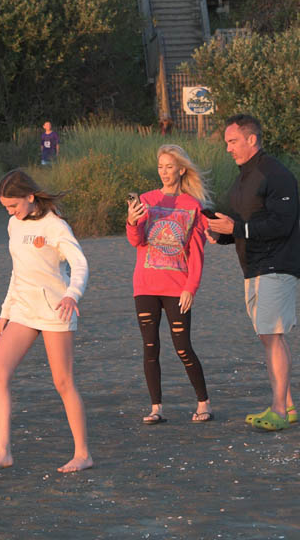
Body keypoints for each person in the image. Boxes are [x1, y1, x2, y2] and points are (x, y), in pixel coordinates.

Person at [0, 169, 93, 475]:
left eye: (13, 205)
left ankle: (83, 454)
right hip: (23, 310)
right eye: (6, 208)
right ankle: (3, 452)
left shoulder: (55, 225)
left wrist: (72, 295)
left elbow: (79, 263)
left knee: (63, 381)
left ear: (30, 196)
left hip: (56, 309)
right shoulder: (14, 225)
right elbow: (18, 271)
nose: (10, 212)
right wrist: (6, 309)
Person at [206, 115, 300, 432]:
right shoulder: (242, 178)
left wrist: (235, 228)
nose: (228, 149)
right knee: (268, 335)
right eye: (226, 143)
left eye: (232, 142)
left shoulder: (276, 174)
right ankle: (286, 406)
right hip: (254, 267)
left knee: (272, 336)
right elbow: (241, 224)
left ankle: (278, 408)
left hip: (277, 265)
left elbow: (280, 224)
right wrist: (221, 234)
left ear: (252, 139)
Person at [126, 144, 213, 424]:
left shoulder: (192, 206)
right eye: (161, 166)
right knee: (150, 347)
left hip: (177, 288)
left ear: (181, 170)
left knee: (182, 346)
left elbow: (197, 252)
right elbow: (136, 240)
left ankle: (204, 403)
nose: (164, 172)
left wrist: (191, 287)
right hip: (146, 285)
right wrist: (131, 220)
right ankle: (156, 408)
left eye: (169, 167)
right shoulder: (148, 200)